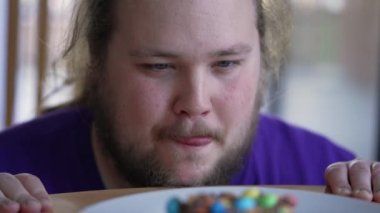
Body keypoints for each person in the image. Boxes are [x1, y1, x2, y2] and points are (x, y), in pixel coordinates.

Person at [0, 0, 379, 212]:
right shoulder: (10, 171)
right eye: (159, 66)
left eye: (226, 64)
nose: (195, 104)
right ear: (97, 62)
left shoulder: (325, 184)